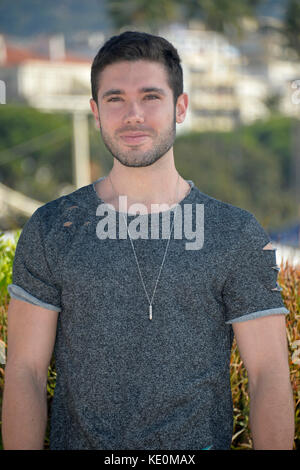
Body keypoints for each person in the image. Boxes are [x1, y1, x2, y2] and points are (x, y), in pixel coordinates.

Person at [2, 31, 294, 451]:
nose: (133, 114)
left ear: (181, 107)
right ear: (95, 112)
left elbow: (268, 372)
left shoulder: (235, 232)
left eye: (151, 97)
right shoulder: (52, 228)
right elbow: (25, 371)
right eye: (115, 98)